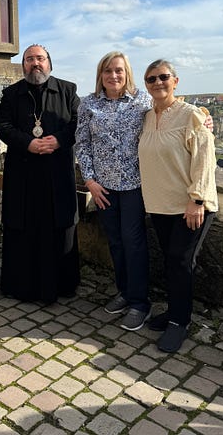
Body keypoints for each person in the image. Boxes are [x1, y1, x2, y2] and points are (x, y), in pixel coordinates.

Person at [138, 59, 218, 353]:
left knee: (181, 262)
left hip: (191, 205)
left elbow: (204, 160)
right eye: (151, 79)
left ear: (175, 81)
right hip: (161, 204)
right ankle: (174, 312)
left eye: (163, 77)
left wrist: (196, 200)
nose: (158, 83)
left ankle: (179, 323)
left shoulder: (192, 115)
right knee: (171, 261)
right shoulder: (146, 117)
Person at [0, 44, 80, 304]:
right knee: (23, 226)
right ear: (23, 65)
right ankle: (22, 285)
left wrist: (57, 141)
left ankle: (61, 285)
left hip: (56, 173)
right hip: (23, 173)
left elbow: (79, 123)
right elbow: (2, 126)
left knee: (58, 225)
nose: (35, 63)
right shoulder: (11, 94)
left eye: (40, 58)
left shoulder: (68, 90)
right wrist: (27, 143)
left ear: (49, 63)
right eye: (29, 59)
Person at [75, 51, 152, 331]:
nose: (114, 76)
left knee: (134, 243)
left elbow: (172, 114)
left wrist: (203, 119)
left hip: (134, 186)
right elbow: (82, 144)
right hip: (103, 187)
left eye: (119, 70)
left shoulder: (142, 101)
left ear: (127, 73)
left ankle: (140, 303)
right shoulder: (89, 104)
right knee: (116, 243)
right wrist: (91, 182)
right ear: (101, 75)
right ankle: (125, 291)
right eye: (108, 71)